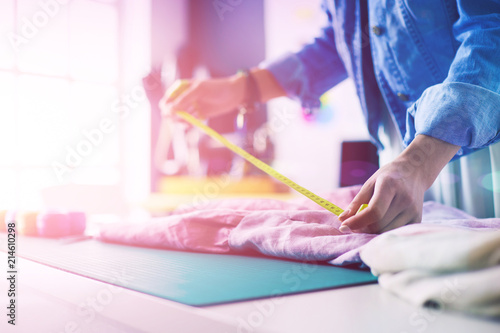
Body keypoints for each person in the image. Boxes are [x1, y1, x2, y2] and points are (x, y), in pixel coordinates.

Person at [160, 0, 500, 234]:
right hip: (403, 161)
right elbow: (340, 43)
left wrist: (421, 160)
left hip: (482, 149)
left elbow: (492, 31)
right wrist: (240, 88)